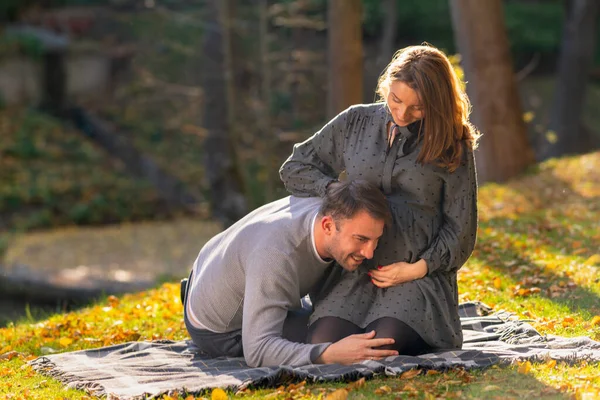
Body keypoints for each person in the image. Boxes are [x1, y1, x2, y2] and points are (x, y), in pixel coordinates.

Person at [279, 44, 480, 355]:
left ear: (437, 104)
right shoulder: (355, 122)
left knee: (382, 345)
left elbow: (461, 230)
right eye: (396, 99)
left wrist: (417, 269)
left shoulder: (453, 144)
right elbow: (295, 167)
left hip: (415, 276)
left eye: (418, 108)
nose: (402, 113)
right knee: (323, 344)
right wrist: (335, 192)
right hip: (354, 271)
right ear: (386, 85)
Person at [182, 179, 398, 367]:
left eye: (375, 240)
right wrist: (330, 354)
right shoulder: (276, 256)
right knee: (327, 334)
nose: (369, 253)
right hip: (218, 330)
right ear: (328, 226)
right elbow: (257, 351)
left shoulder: (330, 206)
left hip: (208, 270)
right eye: (361, 239)